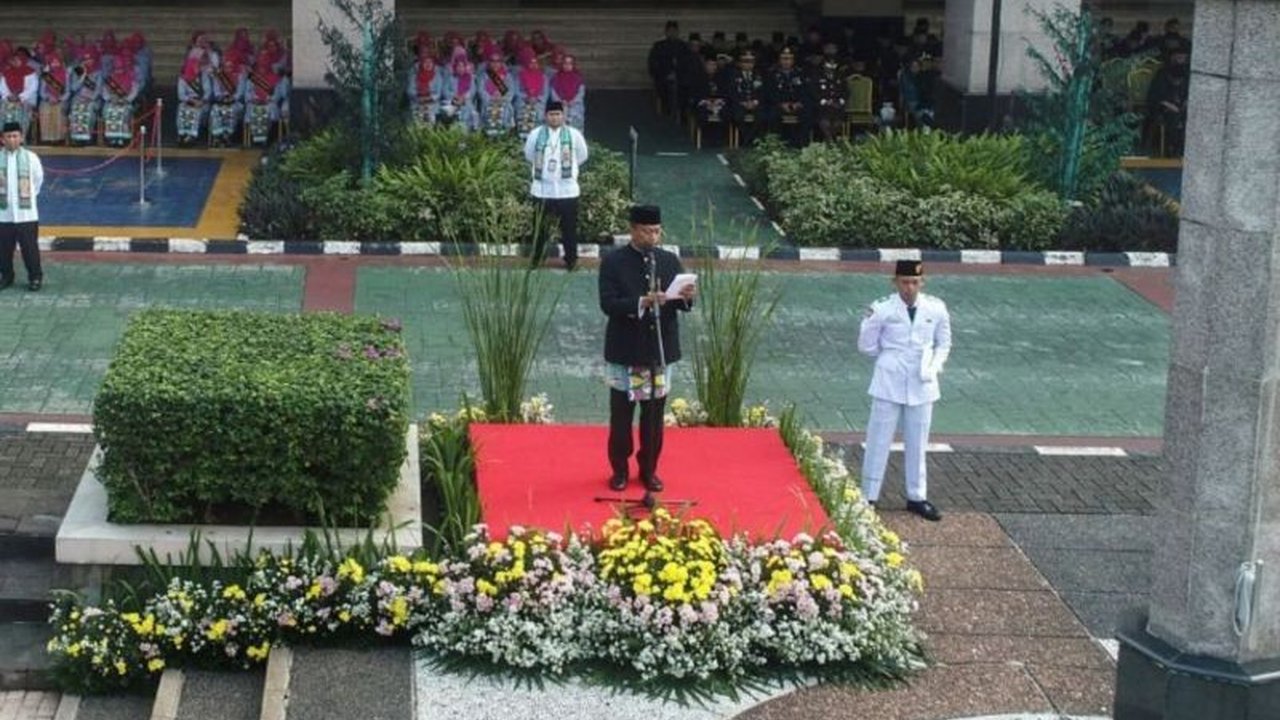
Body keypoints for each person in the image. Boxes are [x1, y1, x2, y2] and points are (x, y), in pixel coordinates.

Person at [599, 204, 696, 492]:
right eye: (646, 231)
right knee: (621, 418)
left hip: (658, 349)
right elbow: (608, 304)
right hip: (626, 349)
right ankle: (619, 470)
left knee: (654, 418)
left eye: (656, 232)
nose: (652, 237)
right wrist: (642, 302)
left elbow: (682, 303)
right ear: (633, 230)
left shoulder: (668, 260)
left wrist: (686, 296)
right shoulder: (614, 262)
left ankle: (649, 469)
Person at [857, 260, 950, 521]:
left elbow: (944, 343)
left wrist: (934, 367)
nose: (909, 287)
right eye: (905, 282)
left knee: (918, 441)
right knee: (878, 439)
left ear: (923, 282)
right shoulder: (881, 309)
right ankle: (868, 495)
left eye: (915, 282)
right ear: (895, 282)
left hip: (923, 381)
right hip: (889, 380)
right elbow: (866, 345)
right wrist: (890, 359)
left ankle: (916, 496)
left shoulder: (936, 307)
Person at [523, 100, 588, 270]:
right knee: (539, 229)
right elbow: (529, 155)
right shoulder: (535, 134)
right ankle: (536, 260)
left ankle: (571, 261)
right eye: (551, 114)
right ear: (545, 116)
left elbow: (582, 156)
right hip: (542, 189)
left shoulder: (574, 134)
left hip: (567, 190)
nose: (555, 118)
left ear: (563, 116)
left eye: (558, 114)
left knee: (569, 229)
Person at [0, 121, 44, 292]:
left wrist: (27, 198)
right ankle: (6, 276)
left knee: (30, 248)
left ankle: (35, 277)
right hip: (3, 213)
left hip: (26, 214)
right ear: (2, 139)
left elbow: (38, 180)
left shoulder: (31, 158)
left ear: (21, 137)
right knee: (3, 249)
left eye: (15, 136)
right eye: (8, 136)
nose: (12, 139)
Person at [1, 48, 38, 137]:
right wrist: (8, 96)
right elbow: (2, 87)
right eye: (14, 60)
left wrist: (20, 97)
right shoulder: (7, 72)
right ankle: (5, 135)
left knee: (20, 109)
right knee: (3, 107)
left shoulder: (30, 72)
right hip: (9, 99)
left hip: (26, 99)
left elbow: (32, 88)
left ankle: (20, 136)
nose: (15, 62)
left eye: (17, 60)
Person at [38, 49, 71, 143]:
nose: (55, 64)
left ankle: (58, 138)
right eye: (53, 62)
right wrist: (49, 97)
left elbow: (68, 91)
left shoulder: (66, 74)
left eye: (57, 62)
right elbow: (42, 91)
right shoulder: (46, 75)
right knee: (44, 107)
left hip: (61, 100)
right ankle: (47, 137)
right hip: (48, 99)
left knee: (60, 109)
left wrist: (60, 99)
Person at [175, 55, 210, 145]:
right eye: (196, 66)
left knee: (196, 111)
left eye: (198, 66)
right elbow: (181, 95)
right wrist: (190, 101)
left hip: (201, 102)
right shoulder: (183, 78)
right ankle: (182, 134)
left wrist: (202, 101)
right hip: (188, 101)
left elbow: (208, 91)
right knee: (182, 109)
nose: (198, 68)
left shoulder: (204, 77)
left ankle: (192, 135)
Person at [549, 54, 585, 129]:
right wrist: (561, 101)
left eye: (570, 64)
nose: (567, 66)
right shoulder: (556, 77)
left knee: (575, 127)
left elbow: (581, 93)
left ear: (573, 65)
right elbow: (553, 92)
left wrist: (572, 102)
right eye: (565, 63)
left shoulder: (578, 78)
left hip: (575, 106)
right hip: (560, 106)